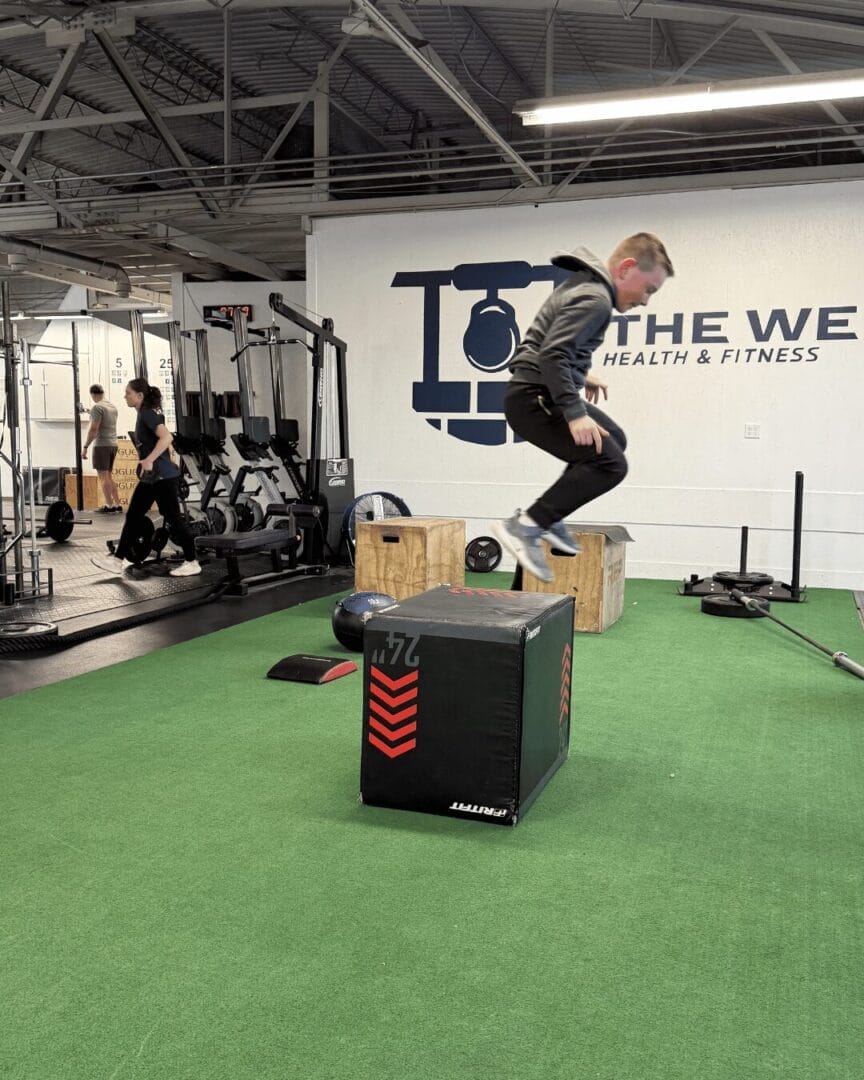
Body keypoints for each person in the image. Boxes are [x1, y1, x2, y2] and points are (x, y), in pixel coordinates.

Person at [493, 232, 674, 582]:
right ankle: (527, 526)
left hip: (536, 391)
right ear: (626, 268)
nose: (646, 301)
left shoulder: (587, 287)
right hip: (534, 398)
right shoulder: (596, 299)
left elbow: (549, 344)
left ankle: (550, 516)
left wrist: (581, 375)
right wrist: (575, 415)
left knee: (614, 439)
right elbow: (553, 355)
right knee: (611, 464)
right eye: (648, 289)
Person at [91, 378, 202, 577]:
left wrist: (149, 459)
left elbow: (167, 437)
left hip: (162, 477)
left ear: (140, 395)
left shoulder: (147, 414)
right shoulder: (145, 413)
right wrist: (146, 462)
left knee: (173, 519)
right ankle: (117, 560)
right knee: (134, 516)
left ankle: (192, 561)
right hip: (153, 477)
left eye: (128, 393)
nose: (125, 396)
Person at [82, 384, 121, 512]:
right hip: (112, 445)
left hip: (102, 445)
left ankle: (109, 506)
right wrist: (89, 412)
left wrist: (85, 446)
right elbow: (104, 419)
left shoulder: (97, 407)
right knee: (108, 476)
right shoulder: (112, 407)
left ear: (93, 394)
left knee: (103, 477)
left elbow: (94, 429)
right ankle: (117, 504)